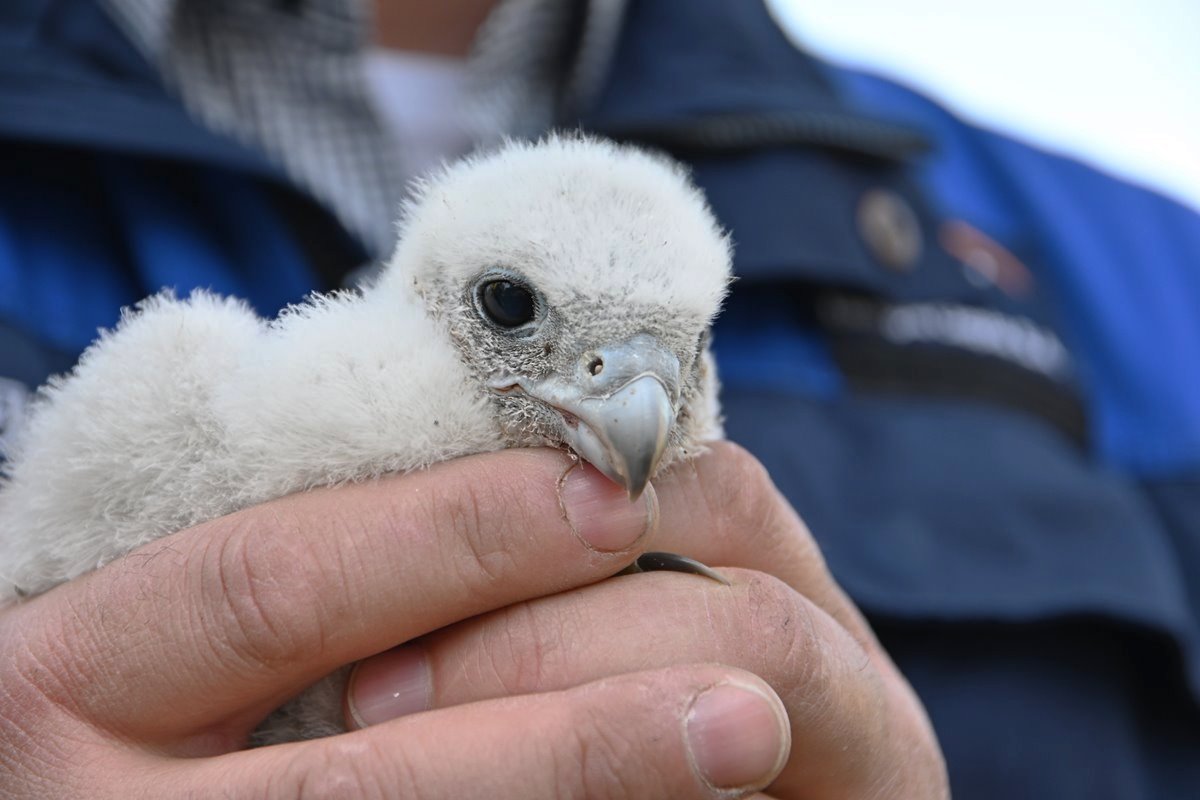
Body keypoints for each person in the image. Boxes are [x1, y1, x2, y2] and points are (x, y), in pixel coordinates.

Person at [0, 0, 1196, 798]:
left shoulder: (1149, 281)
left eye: (676, 355)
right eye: (516, 312)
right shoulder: (188, 370)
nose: (635, 409)